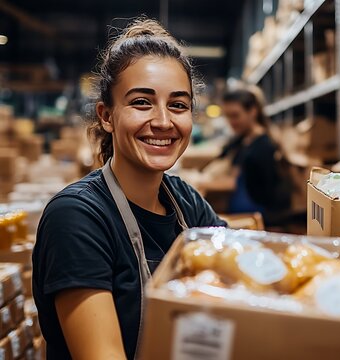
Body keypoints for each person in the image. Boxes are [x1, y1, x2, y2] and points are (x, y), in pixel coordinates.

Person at [32, 18, 226, 360]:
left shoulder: (187, 204)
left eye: (178, 105)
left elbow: (244, 282)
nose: (164, 121)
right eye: (141, 102)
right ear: (107, 116)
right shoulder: (77, 218)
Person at [217, 87, 291, 223]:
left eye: (235, 115)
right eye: (227, 116)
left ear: (252, 111)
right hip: (241, 213)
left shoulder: (263, 146)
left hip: (256, 217)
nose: (231, 122)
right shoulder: (241, 140)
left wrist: (200, 182)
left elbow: (233, 182)